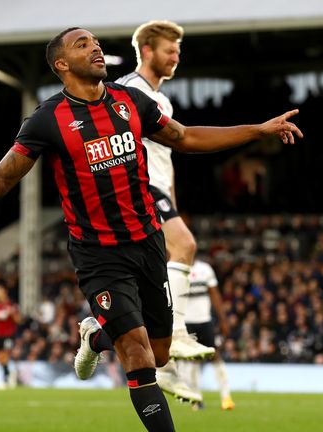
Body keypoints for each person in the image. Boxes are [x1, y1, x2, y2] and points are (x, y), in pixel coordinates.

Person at [0, 26, 302, 432]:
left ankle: (96, 336)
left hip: (147, 243)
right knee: (140, 359)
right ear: (61, 65)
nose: (96, 48)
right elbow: (1, 180)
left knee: (160, 354)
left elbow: (186, 137)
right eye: (82, 44)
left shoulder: (130, 101)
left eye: (96, 42)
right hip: (99, 255)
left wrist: (258, 129)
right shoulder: (46, 119)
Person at [113, 20, 214, 404]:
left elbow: (166, 159)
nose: (176, 57)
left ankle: (153, 361)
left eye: (178, 51)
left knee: (152, 283)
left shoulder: (163, 100)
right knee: (186, 246)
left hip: (158, 190)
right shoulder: (128, 91)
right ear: (148, 51)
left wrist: (173, 204)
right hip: (137, 188)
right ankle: (179, 330)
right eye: (170, 50)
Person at [179, 257, 235, 411]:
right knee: (192, 360)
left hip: (205, 321)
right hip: (187, 323)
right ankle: (196, 398)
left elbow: (215, 295)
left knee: (215, 356)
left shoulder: (205, 269)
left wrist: (223, 319)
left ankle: (226, 397)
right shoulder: (176, 270)